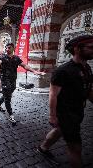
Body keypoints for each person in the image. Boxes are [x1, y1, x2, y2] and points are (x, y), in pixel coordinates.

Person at [37, 35, 93, 168]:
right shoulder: (63, 71)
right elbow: (53, 94)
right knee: (75, 148)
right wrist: (52, 115)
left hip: (78, 110)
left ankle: (43, 147)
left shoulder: (87, 68)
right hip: (66, 113)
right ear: (77, 49)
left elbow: (88, 89)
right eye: (90, 47)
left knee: (59, 130)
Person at [0, 42, 45, 123]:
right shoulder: (3, 57)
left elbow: (25, 66)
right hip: (5, 80)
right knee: (8, 98)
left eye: (9, 47)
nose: (7, 49)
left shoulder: (16, 58)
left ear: (13, 48)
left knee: (7, 94)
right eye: (6, 48)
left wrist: (34, 71)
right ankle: (10, 114)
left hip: (13, 80)